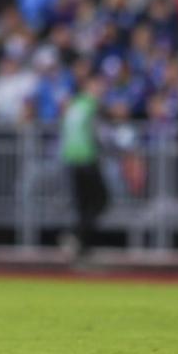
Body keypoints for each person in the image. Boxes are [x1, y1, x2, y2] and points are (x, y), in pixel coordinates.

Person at [60, 76, 109, 259]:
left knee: (83, 205)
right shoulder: (92, 106)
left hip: (70, 158)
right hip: (87, 158)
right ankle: (77, 236)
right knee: (100, 200)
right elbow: (100, 133)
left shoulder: (74, 104)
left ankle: (79, 242)